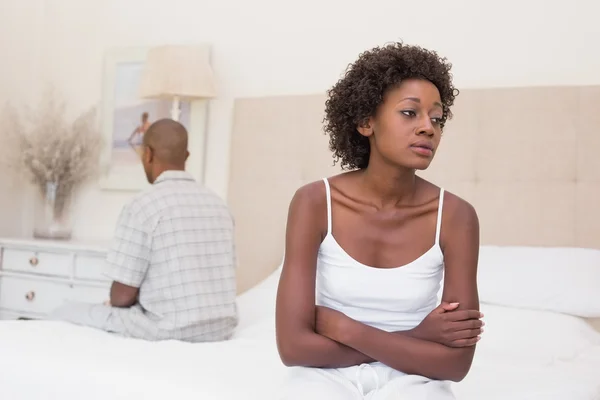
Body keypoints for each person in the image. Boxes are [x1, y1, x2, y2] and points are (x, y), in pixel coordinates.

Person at [275, 42, 483, 399]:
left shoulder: (456, 216)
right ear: (365, 121)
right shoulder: (314, 203)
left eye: (436, 118)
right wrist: (419, 336)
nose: (428, 129)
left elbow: (456, 365)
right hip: (324, 376)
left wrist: (346, 329)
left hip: (418, 379)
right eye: (409, 113)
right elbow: (293, 348)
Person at [51, 119, 238, 342]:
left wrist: (125, 298)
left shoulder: (142, 206)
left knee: (63, 312)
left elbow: (121, 296)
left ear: (147, 154)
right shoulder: (219, 206)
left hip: (167, 329)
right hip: (220, 328)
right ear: (186, 156)